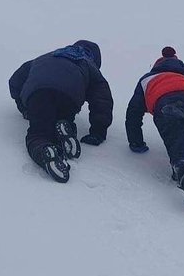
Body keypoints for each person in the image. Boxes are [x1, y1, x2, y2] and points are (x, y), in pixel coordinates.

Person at [8, 39, 112, 183]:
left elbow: (15, 80)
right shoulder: (88, 64)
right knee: (64, 117)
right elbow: (102, 100)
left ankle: (44, 149)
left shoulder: (48, 56)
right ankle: (65, 128)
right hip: (69, 94)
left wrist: (24, 108)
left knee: (39, 132)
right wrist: (98, 132)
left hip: (37, 91)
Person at [126, 47, 184, 210]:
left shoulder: (148, 79)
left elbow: (134, 112)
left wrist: (136, 142)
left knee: (176, 140)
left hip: (167, 104)